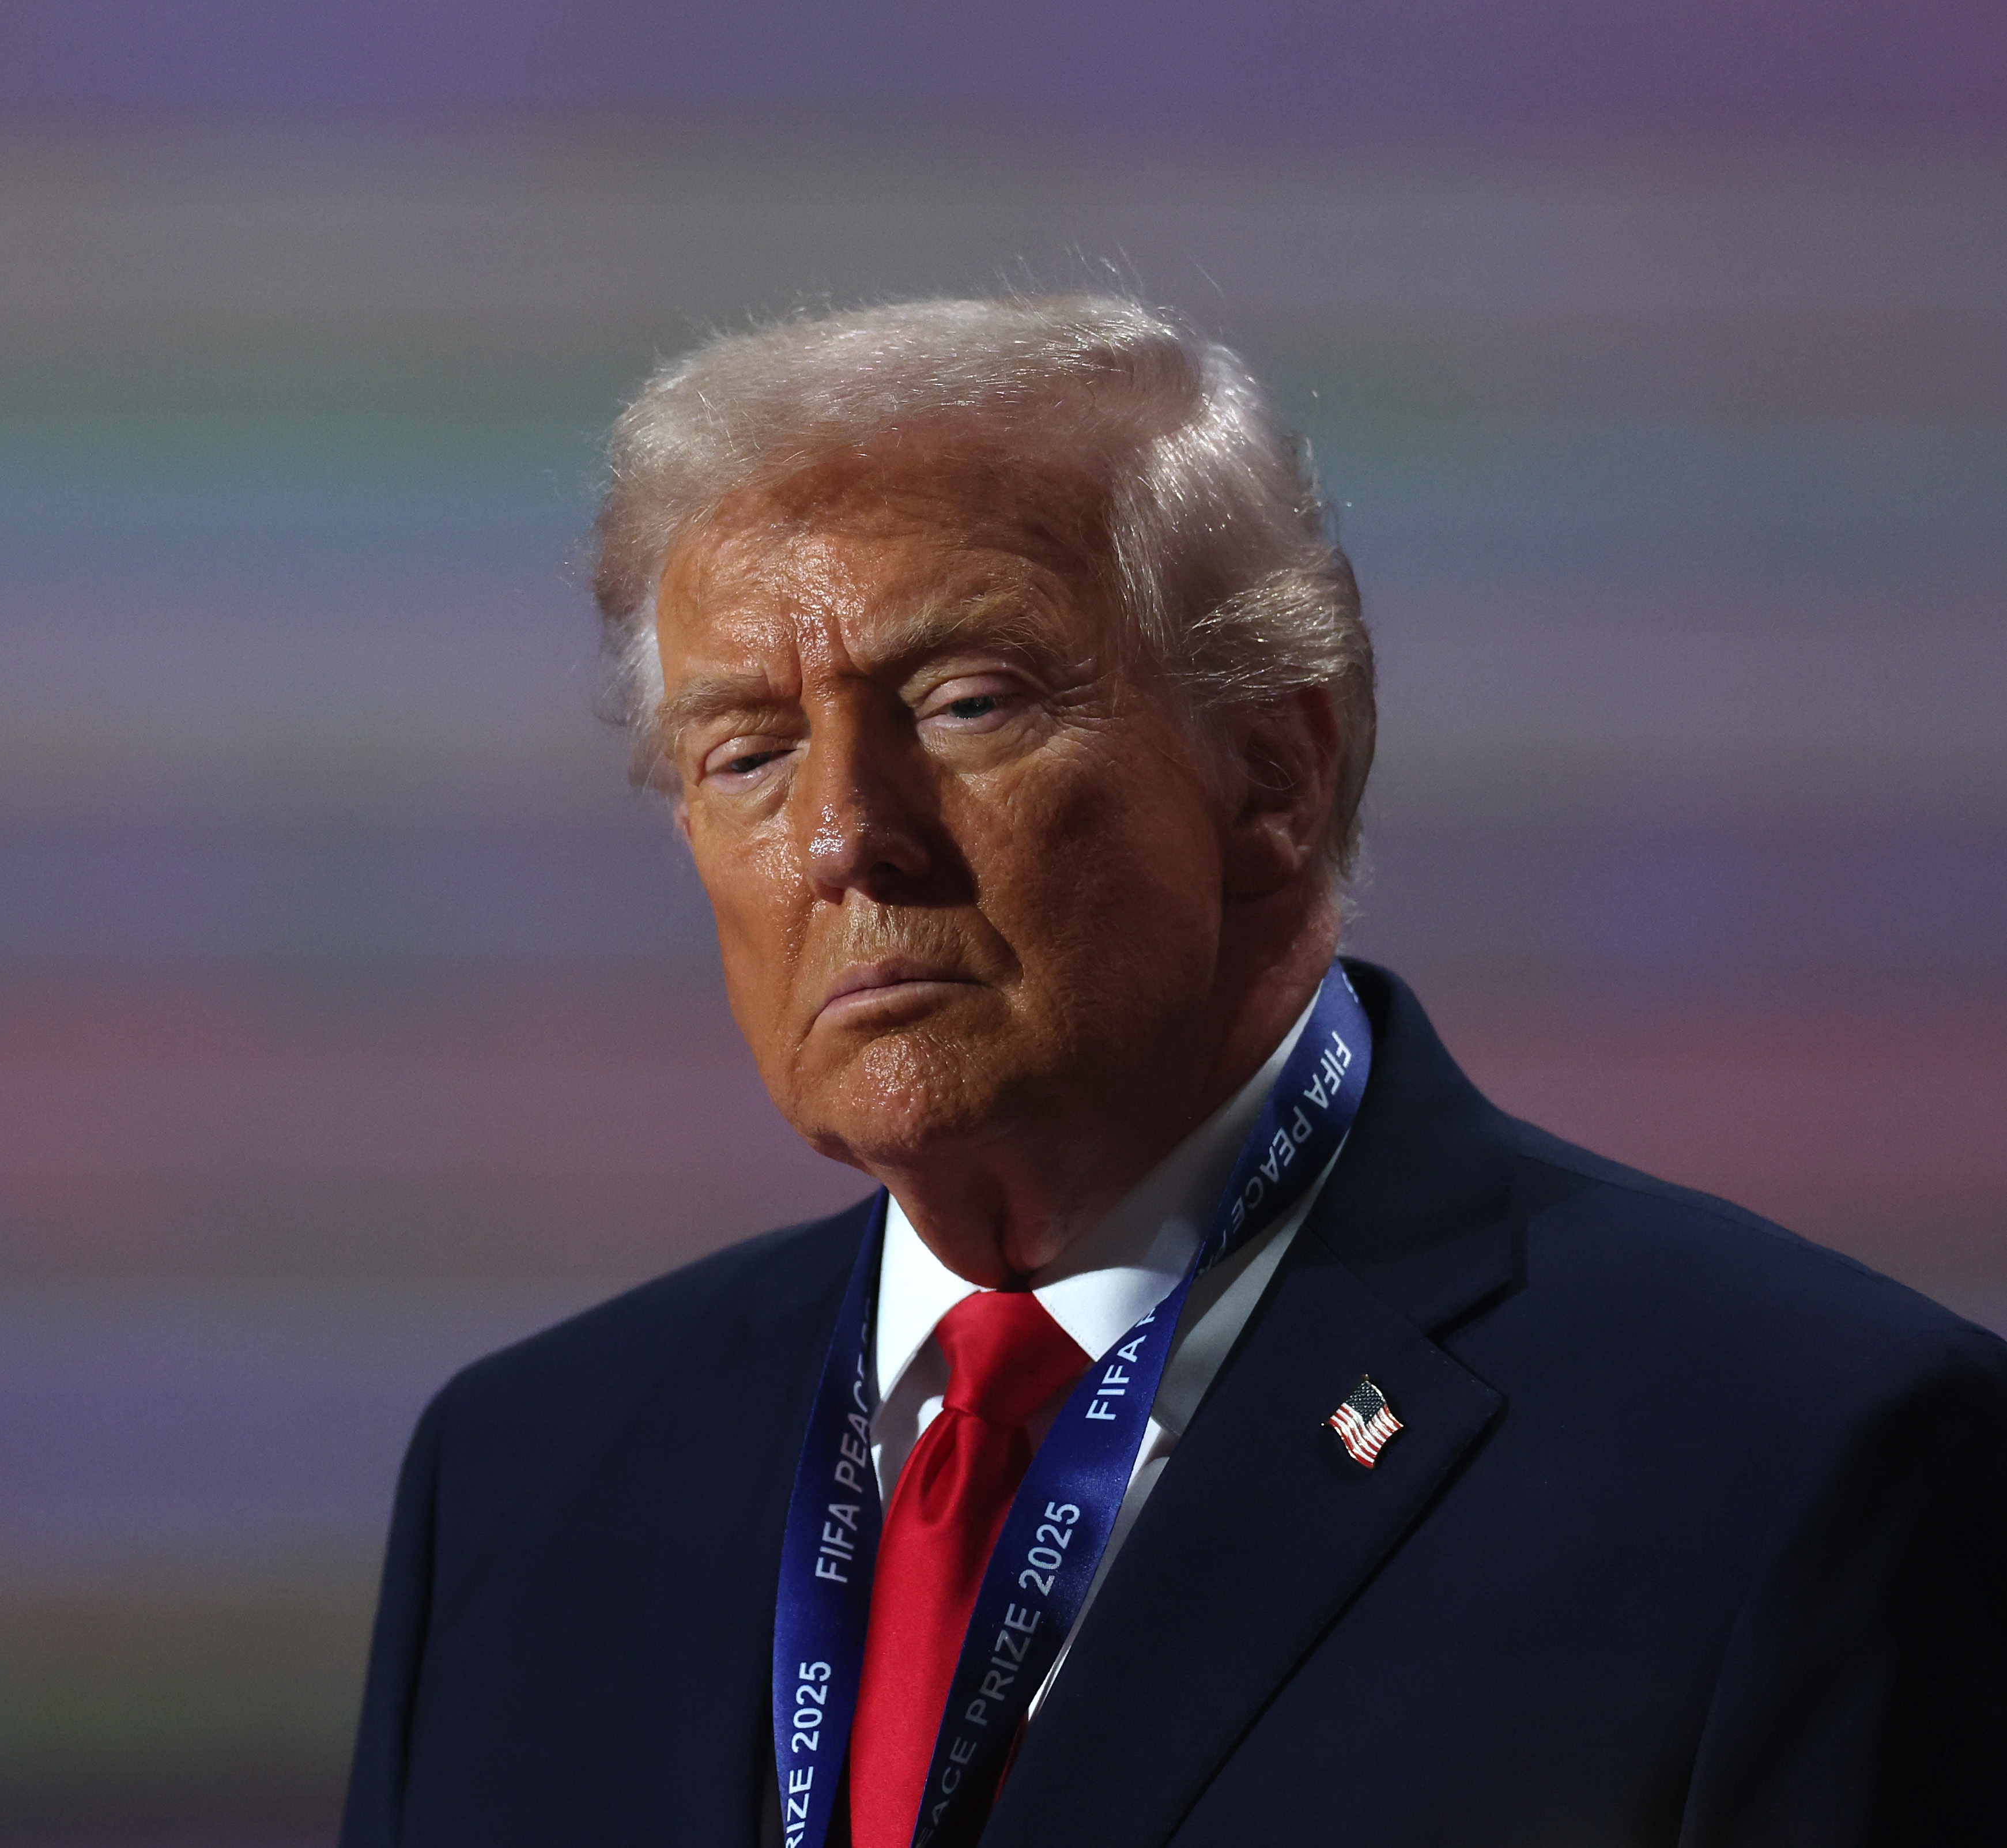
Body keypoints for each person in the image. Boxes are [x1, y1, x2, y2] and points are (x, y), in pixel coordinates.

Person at [337, 296, 2007, 1847]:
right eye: (749, 752)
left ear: (1272, 772)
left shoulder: (1795, 1456)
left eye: (967, 702)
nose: (846, 834)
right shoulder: (523, 1485)